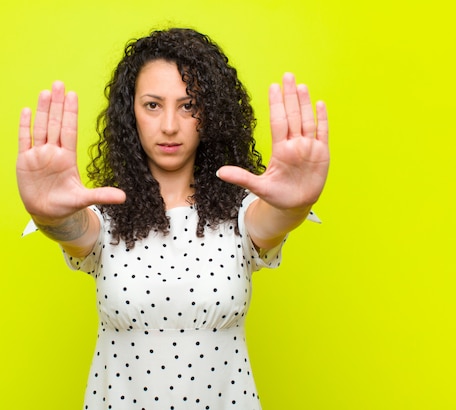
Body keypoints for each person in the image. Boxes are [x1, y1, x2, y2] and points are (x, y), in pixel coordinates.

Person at [17, 28, 328, 410]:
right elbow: (75, 231)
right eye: (152, 105)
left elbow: (273, 221)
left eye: (188, 105)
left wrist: (295, 205)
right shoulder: (106, 219)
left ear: (210, 113)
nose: (169, 125)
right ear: (130, 112)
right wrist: (47, 215)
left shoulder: (240, 215)